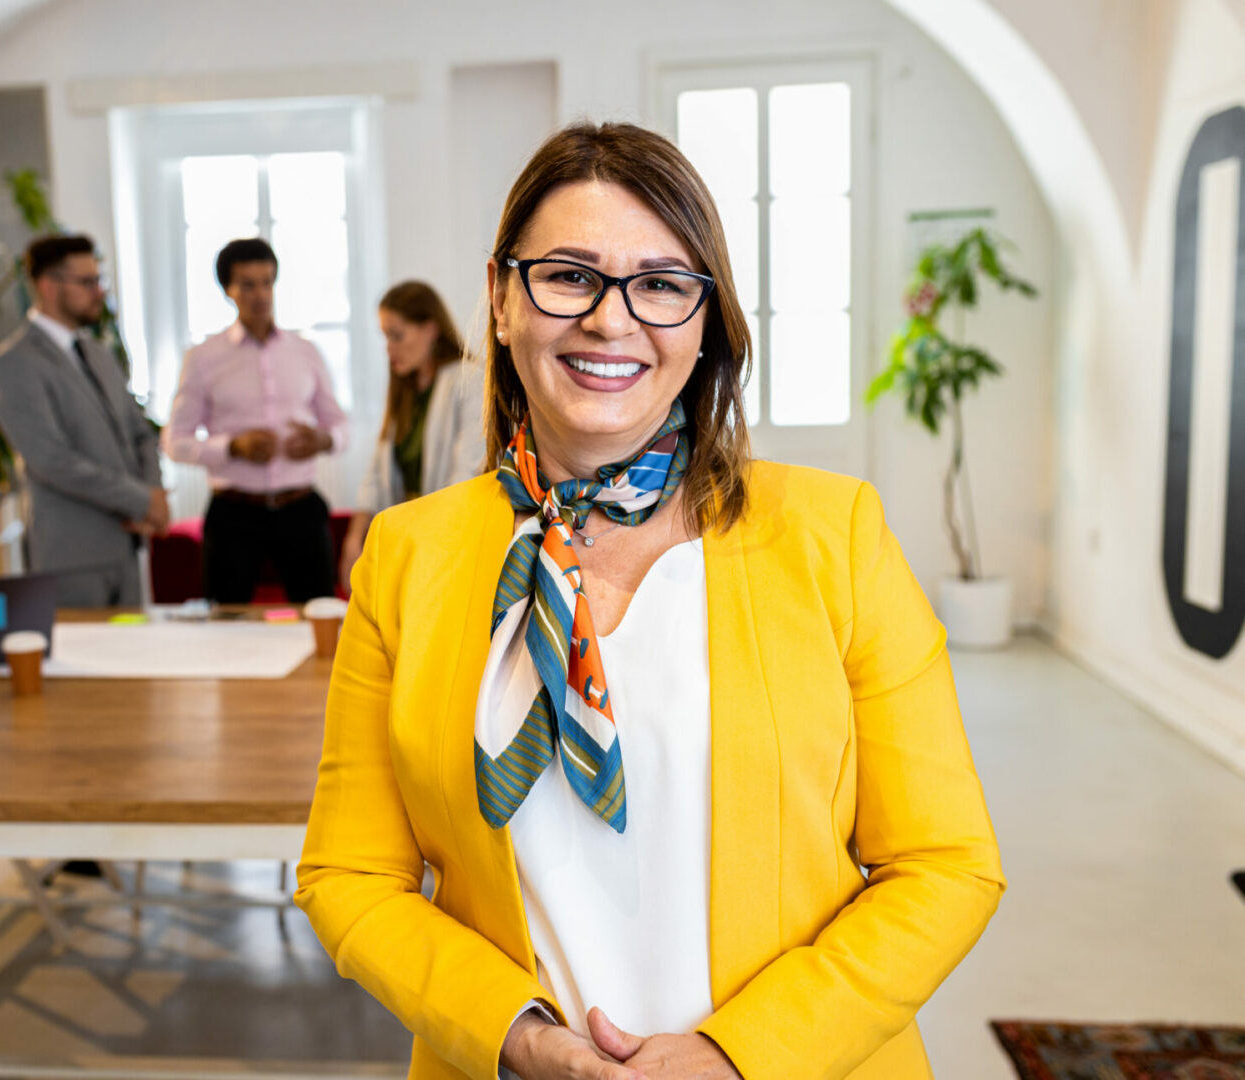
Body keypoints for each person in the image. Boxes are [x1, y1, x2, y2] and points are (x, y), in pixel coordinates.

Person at [295, 122, 1004, 1080]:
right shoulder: (406, 557)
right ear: (502, 300)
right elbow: (351, 876)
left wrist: (737, 1054)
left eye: (661, 284)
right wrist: (519, 1039)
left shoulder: (836, 536)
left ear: (705, 318)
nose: (611, 319)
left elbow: (946, 864)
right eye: (568, 275)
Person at [162, 238, 347, 602]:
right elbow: (174, 442)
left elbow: (341, 427)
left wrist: (322, 440)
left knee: (320, 618)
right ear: (228, 290)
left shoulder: (305, 352)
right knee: (226, 625)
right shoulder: (202, 358)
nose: (261, 294)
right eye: (248, 284)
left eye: (267, 282)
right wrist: (232, 447)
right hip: (234, 515)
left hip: (301, 509)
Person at [0, 234, 168, 608]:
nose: (99, 292)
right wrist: (141, 499)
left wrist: (154, 492)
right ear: (49, 287)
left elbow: (140, 431)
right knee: (85, 664)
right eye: (87, 282)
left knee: (131, 660)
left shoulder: (98, 354)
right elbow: (51, 460)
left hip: (126, 546)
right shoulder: (16, 362)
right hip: (71, 555)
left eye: (98, 280)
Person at [339, 280, 486, 590]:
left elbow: (465, 476)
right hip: (408, 544)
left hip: (448, 542)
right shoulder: (405, 389)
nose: (389, 349)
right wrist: (354, 538)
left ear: (430, 329)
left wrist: (424, 546)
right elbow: (377, 474)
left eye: (397, 335)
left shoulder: (469, 379)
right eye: (385, 338)